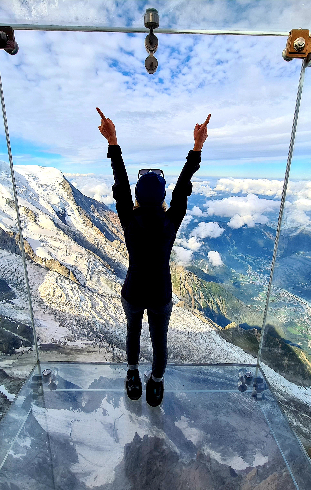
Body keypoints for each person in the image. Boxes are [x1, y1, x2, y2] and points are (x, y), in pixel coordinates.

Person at [97, 107, 210, 407]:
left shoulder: (129, 220)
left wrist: (113, 141)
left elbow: (119, 182)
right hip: (160, 292)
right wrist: (196, 148)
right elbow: (183, 188)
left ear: (136, 196)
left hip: (133, 290)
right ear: (162, 198)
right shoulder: (170, 222)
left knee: (133, 332)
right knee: (159, 339)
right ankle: (156, 383)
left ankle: (132, 374)